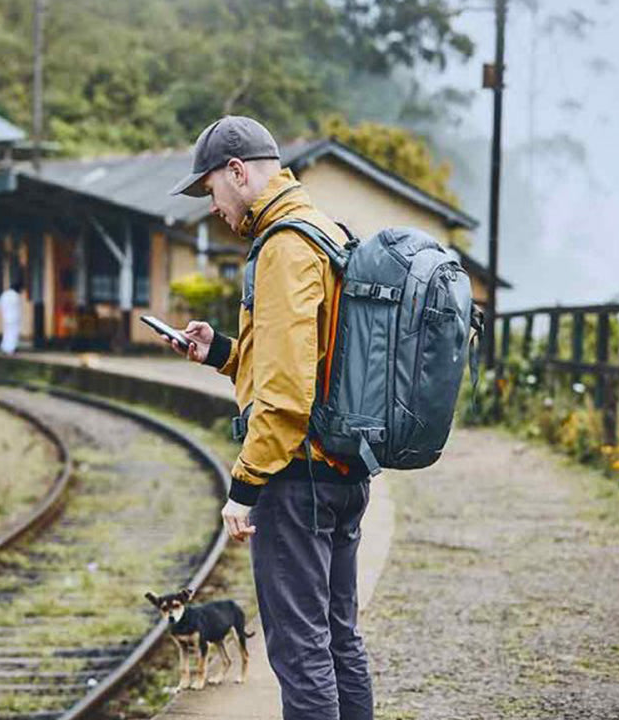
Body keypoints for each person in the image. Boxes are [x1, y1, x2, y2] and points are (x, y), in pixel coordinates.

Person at [164, 116, 374, 720]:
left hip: (297, 474)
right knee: (339, 640)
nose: (213, 208)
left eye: (211, 191)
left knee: (300, 649)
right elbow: (314, 359)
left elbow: (284, 394)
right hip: (342, 469)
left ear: (237, 171)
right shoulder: (326, 230)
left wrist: (245, 484)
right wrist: (226, 354)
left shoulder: (284, 246)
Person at [0, 280, 23, 355]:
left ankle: (4, 348)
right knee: (13, 334)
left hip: (6, 317)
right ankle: (11, 349)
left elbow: (1, 305)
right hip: (14, 318)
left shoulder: (4, 294)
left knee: (6, 334)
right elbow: (18, 308)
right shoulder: (16, 296)